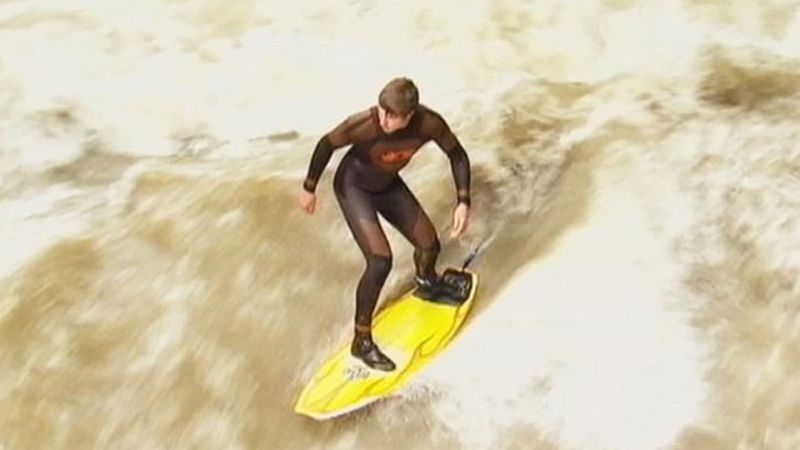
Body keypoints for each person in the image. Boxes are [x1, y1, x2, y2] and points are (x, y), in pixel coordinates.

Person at [298, 77, 471, 371]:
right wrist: (309, 187)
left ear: (409, 116)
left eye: (391, 115)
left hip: (388, 185)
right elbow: (326, 144)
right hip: (353, 187)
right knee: (380, 261)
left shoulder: (429, 124)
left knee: (429, 244)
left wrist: (463, 201)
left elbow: (457, 154)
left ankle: (427, 282)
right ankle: (361, 341)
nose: (384, 118)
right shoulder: (364, 124)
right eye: (382, 110)